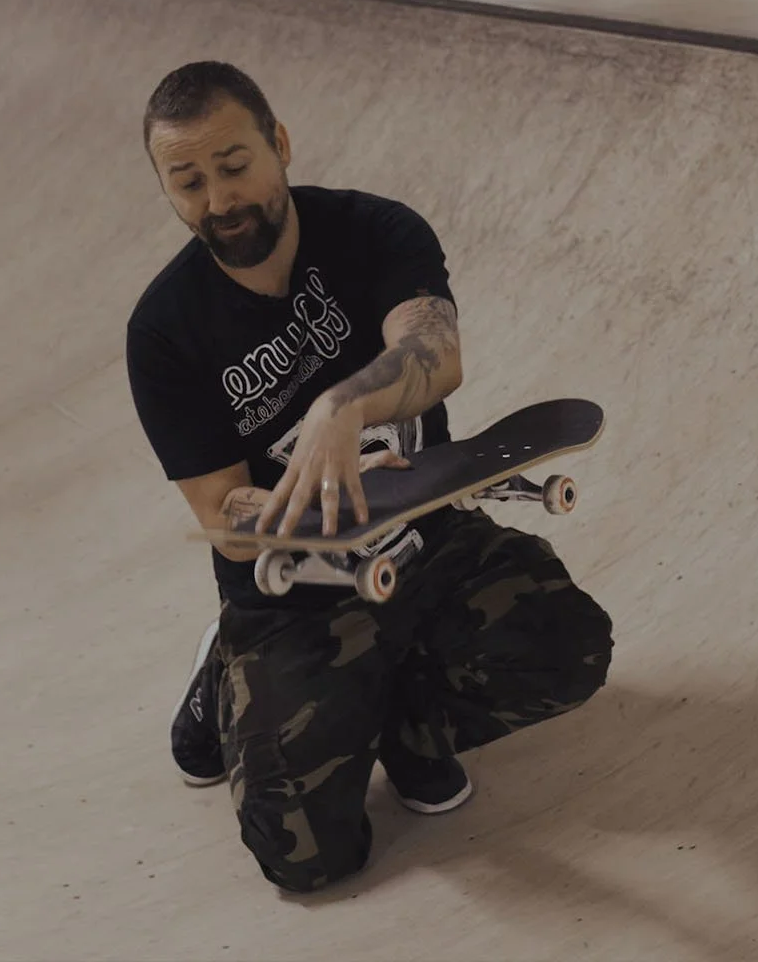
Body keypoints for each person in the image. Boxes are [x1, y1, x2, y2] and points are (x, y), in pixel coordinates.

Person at [126, 61, 614, 894]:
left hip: (429, 539)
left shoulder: (373, 231)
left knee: (566, 650)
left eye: (235, 165)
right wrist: (307, 504)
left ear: (278, 145)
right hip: (289, 595)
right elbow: (219, 507)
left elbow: (437, 351)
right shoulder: (165, 330)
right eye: (188, 182)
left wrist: (343, 405)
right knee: (307, 859)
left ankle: (413, 728)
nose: (218, 201)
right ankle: (226, 671)